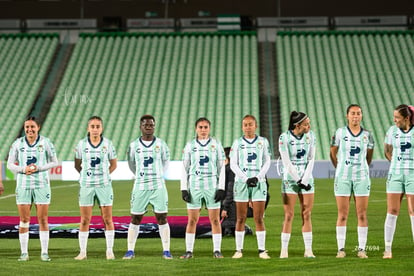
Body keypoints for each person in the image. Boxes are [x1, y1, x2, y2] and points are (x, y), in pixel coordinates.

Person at [7, 116, 58, 261]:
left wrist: (39, 167)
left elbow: (54, 161)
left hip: (41, 184)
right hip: (23, 185)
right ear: (24, 128)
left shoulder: (45, 142)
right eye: (27, 127)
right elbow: (10, 164)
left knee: (43, 219)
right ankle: (24, 253)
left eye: (32, 127)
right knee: (24, 219)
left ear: (38, 127)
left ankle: (44, 252)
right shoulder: (17, 143)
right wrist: (24, 169)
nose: (29, 129)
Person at [123, 115, 172, 260]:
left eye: (151, 125)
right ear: (140, 127)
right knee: (135, 218)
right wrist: (140, 175)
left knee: (162, 217)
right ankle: (130, 250)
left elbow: (165, 162)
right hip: (140, 185)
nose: (149, 127)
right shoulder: (133, 145)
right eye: (146, 125)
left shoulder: (161, 144)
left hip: (158, 185)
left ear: (154, 126)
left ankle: (166, 250)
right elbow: (131, 164)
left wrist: (157, 175)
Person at [330, 104, 374, 258]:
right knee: (342, 214)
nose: (355, 116)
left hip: (361, 176)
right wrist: (339, 168)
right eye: (353, 113)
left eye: (358, 113)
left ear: (361, 116)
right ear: (347, 116)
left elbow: (369, 156)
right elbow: (333, 152)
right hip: (343, 176)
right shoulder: (340, 133)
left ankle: (362, 249)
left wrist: (362, 168)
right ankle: (341, 249)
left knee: (361, 214)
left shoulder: (367, 135)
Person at [180, 117, 226, 259]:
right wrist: (183, 188)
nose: (203, 130)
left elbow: (221, 168)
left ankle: (217, 250)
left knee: (215, 220)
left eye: (206, 127)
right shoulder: (190, 146)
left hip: (212, 185)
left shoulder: (216, 145)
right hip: (194, 186)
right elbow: (184, 168)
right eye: (200, 127)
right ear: (196, 129)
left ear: (209, 129)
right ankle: (189, 251)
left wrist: (221, 188)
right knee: (192, 220)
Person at [74, 116, 117, 260]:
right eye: (92, 126)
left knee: (107, 219)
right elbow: (77, 164)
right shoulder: (81, 144)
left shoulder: (108, 144)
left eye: (98, 126)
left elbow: (114, 164)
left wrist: (103, 175)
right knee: (85, 219)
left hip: (104, 185)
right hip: (86, 185)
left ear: (102, 128)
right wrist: (86, 176)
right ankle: (83, 252)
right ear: (88, 128)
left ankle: (109, 251)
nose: (95, 129)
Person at [230, 114, 271, 259]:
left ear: (256, 126)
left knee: (258, 218)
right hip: (241, 183)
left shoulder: (263, 142)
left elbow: (267, 161)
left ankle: (262, 250)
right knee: (240, 218)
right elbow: (233, 164)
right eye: (245, 125)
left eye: (250, 124)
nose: (248, 127)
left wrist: (258, 177)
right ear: (242, 127)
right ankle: (238, 250)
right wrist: (246, 178)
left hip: (259, 183)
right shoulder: (237, 143)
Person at [279, 111, 316, 259]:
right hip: (290, 180)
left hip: (307, 180)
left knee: (306, 214)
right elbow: (286, 161)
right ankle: (284, 250)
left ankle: (308, 250)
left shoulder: (311, 136)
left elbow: (311, 159)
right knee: (289, 215)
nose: (309, 126)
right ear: (297, 125)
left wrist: (305, 180)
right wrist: (298, 179)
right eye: (306, 124)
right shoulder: (284, 137)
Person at [383, 104, 414, 259]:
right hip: (395, 175)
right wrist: (396, 163)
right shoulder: (392, 131)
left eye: (397, 118)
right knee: (392, 211)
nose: (395, 120)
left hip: (412, 175)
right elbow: (387, 150)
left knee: (412, 211)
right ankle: (387, 249)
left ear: (407, 118)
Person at [221, 147, 236, 236]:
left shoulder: (229, 170)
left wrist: (225, 208)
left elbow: (230, 190)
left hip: (230, 206)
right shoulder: (228, 169)